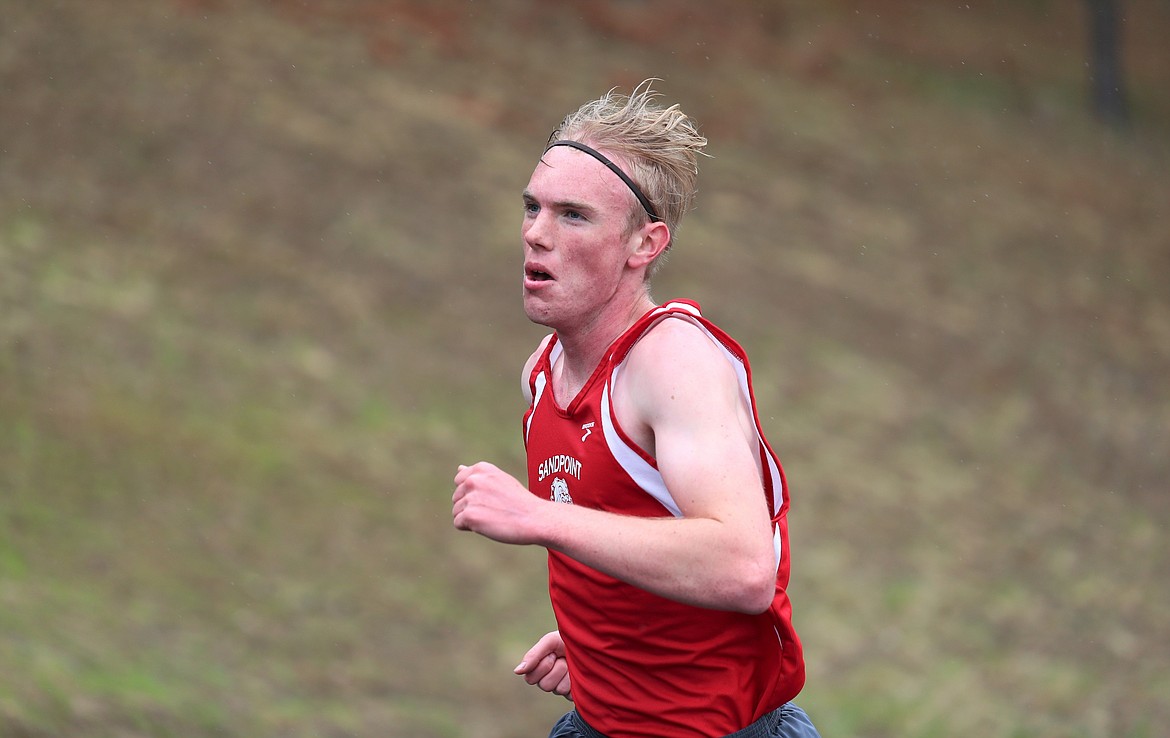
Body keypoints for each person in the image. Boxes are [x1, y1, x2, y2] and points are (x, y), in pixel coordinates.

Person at [452, 81, 819, 738]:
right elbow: (636, 522)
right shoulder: (544, 373)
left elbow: (743, 568)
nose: (536, 233)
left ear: (644, 244)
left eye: (573, 216)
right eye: (532, 207)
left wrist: (540, 518)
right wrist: (611, 642)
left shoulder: (672, 363)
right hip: (603, 720)